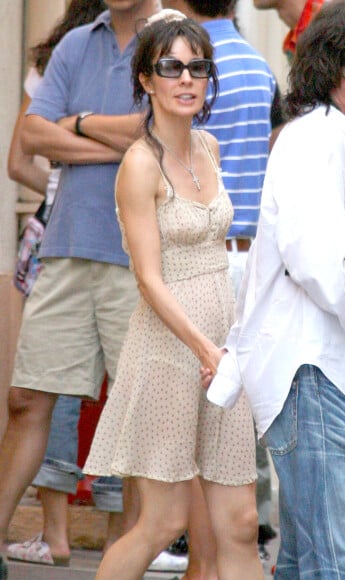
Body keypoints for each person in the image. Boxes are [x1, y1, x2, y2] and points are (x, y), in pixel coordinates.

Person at [205, 3, 345, 578]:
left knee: (307, 563)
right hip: (313, 372)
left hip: (327, 371)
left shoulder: (335, 141)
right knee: (343, 561)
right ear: (331, 64)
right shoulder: (314, 143)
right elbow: (319, 265)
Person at [82, 11, 263, 580]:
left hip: (222, 348)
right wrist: (203, 349)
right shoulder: (139, 163)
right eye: (172, 67)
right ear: (146, 79)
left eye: (198, 67)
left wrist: (227, 347)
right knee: (162, 522)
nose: (187, 79)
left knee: (241, 521)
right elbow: (148, 278)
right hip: (167, 351)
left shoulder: (207, 144)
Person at [0, 1, 160, 578]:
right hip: (65, 249)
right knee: (26, 401)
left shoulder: (171, 42)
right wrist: (119, 144)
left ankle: (129, 562)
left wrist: (79, 123)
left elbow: (160, 133)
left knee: (140, 421)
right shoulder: (73, 45)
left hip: (137, 258)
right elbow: (33, 135)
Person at [161, 0, 279, 568]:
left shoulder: (179, 59)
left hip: (200, 254)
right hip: (250, 256)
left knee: (193, 407)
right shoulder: (258, 64)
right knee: (235, 409)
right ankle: (237, 529)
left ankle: (197, 537)